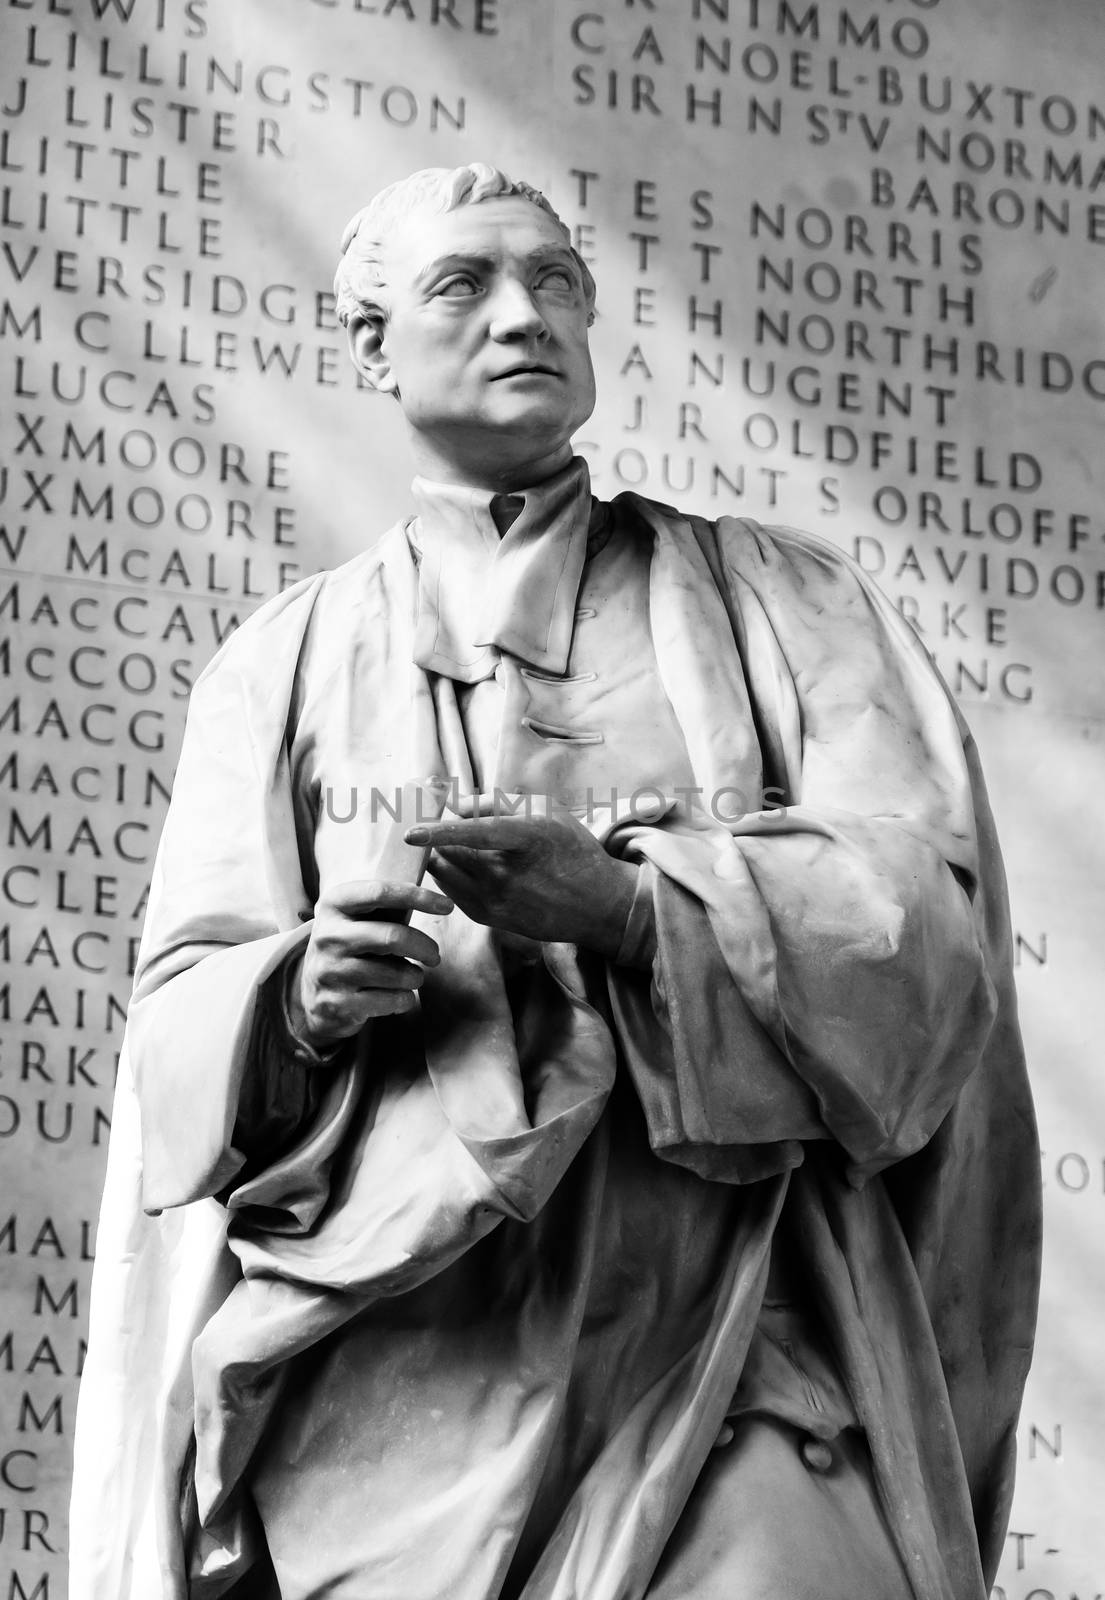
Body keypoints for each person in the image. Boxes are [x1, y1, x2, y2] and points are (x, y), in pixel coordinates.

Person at [70, 163, 1040, 1600]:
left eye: (558, 282)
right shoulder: (279, 666)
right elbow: (172, 1055)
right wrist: (296, 1003)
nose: (525, 316)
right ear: (369, 344)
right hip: (400, 1383)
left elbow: (926, 941)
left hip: (738, 1343)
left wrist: (633, 910)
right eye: (464, 285)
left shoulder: (786, 607)